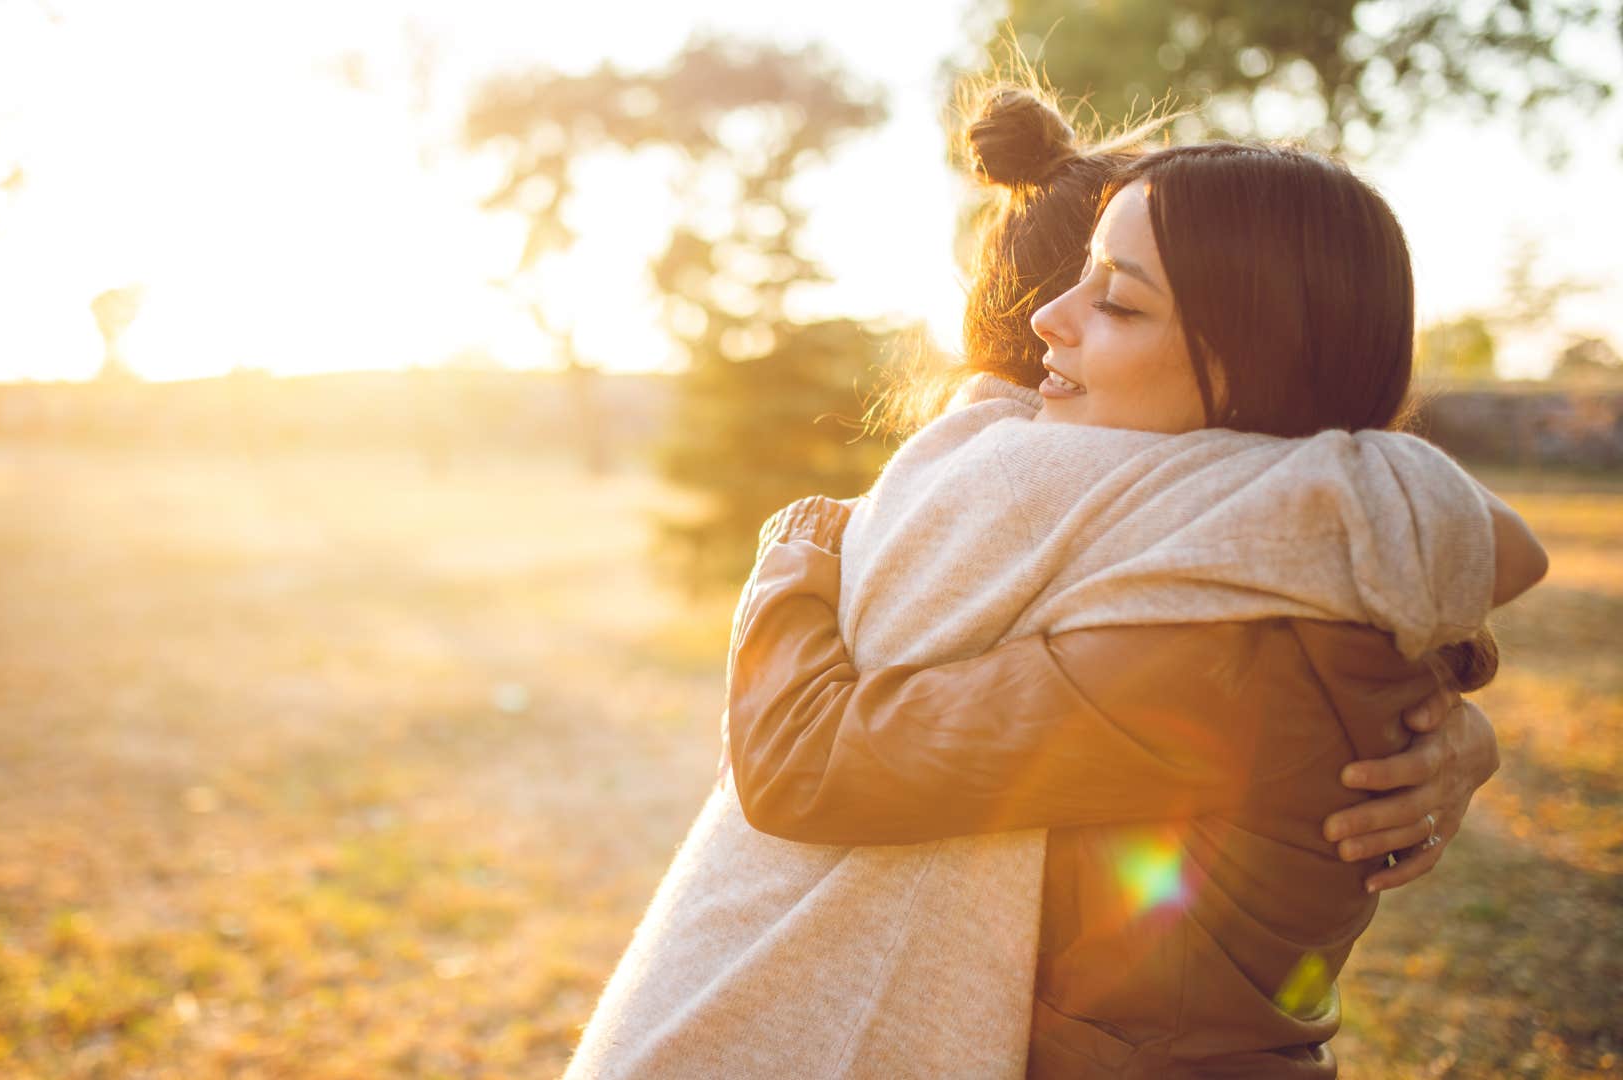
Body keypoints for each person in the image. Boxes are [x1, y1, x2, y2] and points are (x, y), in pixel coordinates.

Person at [566, 88, 1526, 1079]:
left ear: (1250, 362)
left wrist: (801, 544)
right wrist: (1460, 725)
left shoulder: (1217, 651)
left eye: (1118, 299)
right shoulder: (1256, 574)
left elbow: (806, 763)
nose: (1049, 321)